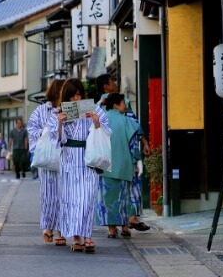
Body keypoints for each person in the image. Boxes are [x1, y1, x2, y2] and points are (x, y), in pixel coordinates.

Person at [51, 78, 110, 253]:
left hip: (88, 158)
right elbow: (56, 141)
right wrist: (60, 123)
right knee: (72, 200)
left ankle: (88, 236)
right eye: (72, 96)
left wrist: (97, 122)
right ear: (66, 97)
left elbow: (107, 131)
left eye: (78, 95)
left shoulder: (94, 109)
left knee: (87, 199)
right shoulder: (61, 113)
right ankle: (77, 237)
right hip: (69, 159)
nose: (76, 99)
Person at [96, 74, 150, 232]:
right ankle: (130, 219)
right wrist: (144, 144)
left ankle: (111, 228)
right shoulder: (123, 102)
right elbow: (134, 125)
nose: (115, 83)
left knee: (108, 192)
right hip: (125, 153)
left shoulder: (97, 107)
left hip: (105, 156)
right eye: (112, 82)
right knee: (129, 188)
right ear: (106, 86)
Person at [26, 79, 66, 245]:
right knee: (48, 195)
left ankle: (61, 231)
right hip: (48, 157)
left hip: (65, 156)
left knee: (64, 195)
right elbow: (32, 129)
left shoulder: (70, 109)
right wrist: (48, 131)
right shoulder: (41, 110)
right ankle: (48, 227)